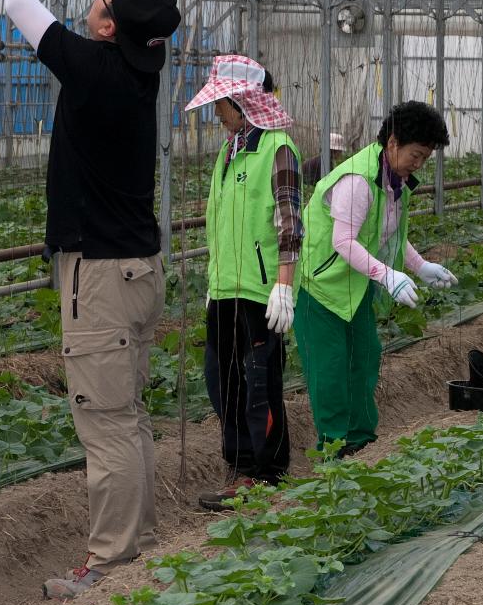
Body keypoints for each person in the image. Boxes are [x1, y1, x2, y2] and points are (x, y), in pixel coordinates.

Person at [4, 0, 181, 599]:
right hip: (135, 269)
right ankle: (132, 546)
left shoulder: (93, 70)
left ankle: (107, 567)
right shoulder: (141, 61)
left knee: (103, 423)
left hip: (101, 279)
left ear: (108, 25)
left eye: (103, 0)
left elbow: (20, 5)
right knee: (127, 415)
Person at [294, 101, 457, 455]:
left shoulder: (393, 180)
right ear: (393, 143)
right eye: (416, 154)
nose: (419, 164)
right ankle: (333, 450)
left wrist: (419, 266)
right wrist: (387, 275)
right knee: (330, 370)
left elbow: (387, 233)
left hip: (354, 286)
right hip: (320, 287)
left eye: (425, 158)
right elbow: (344, 241)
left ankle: (361, 442)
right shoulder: (358, 181)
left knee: (365, 358)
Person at [185, 56, 302, 512]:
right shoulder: (230, 150)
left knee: (258, 385)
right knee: (221, 381)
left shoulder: (277, 149)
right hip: (226, 290)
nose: (216, 112)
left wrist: (284, 285)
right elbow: (220, 223)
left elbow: (289, 223)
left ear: (243, 101)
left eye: (221, 103)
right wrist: (214, 283)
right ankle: (240, 468)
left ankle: (266, 473)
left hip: (260, 293)